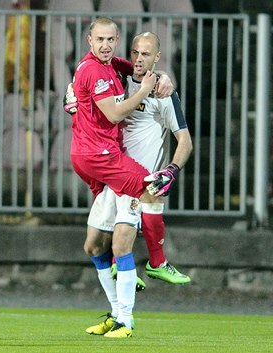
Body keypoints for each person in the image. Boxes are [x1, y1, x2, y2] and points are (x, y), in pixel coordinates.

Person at [64, 17, 176, 339]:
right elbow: (114, 113)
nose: (105, 45)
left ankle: (117, 314)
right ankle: (154, 265)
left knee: (93, 244)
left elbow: (142, 70)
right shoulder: (93, 70)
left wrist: (162, 76)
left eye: (111, 39)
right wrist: (142, 91)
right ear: (89, 40)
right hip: (103, 157)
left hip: (95, 158)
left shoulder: (114, 64)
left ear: (116, 41)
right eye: (100, 39)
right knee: (152, 186)